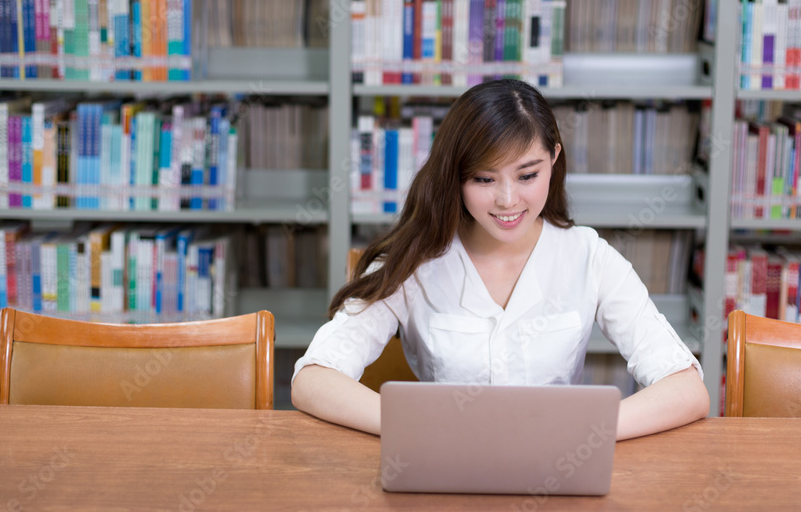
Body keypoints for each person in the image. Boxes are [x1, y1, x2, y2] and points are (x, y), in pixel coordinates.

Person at [291, 79, 709, 439]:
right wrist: (420, 427)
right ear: (455, 176)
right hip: (443, 466)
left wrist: (585, 431)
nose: (508, 201)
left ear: (554, 159)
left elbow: (686, 389)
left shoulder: (589, 257)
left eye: (528, 175)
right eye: (484, 179)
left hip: (555, 468)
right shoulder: (414, 261)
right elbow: (313, 379)